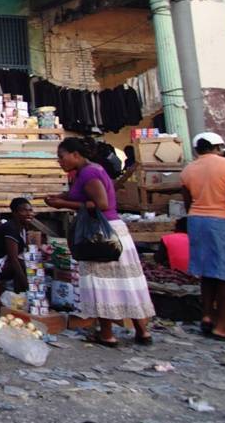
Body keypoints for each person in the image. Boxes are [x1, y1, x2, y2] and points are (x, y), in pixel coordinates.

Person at [46, 137, 155, 347]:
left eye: (62, 157)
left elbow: (101, 204)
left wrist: (63, 204)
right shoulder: (86, 172)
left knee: (101, 282)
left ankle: (107, 334)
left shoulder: (89, 172)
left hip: (101, 232)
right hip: (112, 231)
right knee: (126, 282)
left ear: (75, 155)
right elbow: (81, 195)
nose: (60, 162)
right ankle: (142, 331)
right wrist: (61, 196)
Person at [179, 132, 225, 340]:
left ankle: (206, 316)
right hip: (223, 221)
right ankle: (221, 325)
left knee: (206, 272)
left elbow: (187, 203)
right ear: (218, 147)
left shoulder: (187, 170)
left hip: (197, 220)